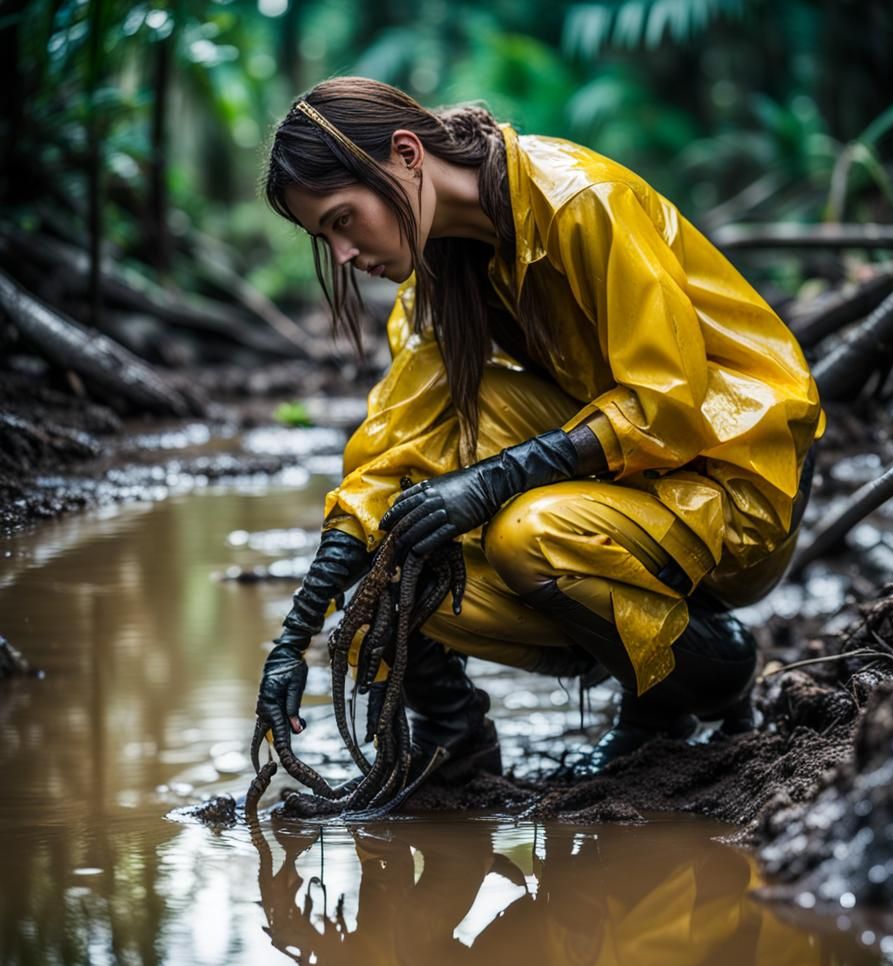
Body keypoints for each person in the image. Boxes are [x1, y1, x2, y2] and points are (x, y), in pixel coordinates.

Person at [254, 76, 824, 782]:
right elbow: (389, 453)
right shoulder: (441, 272)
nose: (342, 255)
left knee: (526, 533)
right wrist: (294, 636)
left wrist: (492, 482)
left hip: (736, 479)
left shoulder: (581, 201)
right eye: (324, 236)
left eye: (343, 220)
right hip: (640, 479)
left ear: (406, 154)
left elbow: (668, 406)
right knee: (390, 543)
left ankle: (702, 674)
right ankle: (454, 739)